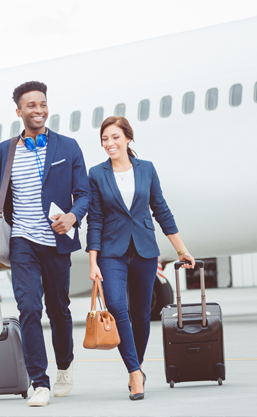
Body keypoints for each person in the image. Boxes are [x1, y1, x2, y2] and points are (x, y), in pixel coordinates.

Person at [0, 81, 90, 407]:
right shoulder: (4, 151)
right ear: (19, 111)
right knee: (29, 309)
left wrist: (73, 216)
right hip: (22, 240)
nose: (38, 110)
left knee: (59, 309)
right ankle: (40, 382)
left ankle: (64, 365)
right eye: (31, 105)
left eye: (42, 104)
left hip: (56, 240)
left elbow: (84, 193)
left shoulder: (68, 147)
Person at [86, 116, 195, 401]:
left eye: (115, 137)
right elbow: (95, 219)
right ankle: (135, 373)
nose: (109, 144)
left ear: (128, 138)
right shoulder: (97, 174)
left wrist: (182, 250)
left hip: (145, 250)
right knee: (117, 308)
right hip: (112, 253)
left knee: (142, 315)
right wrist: (93, 261)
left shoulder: (146, 169)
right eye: (105, 139)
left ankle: (138, 367)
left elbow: (161, 209)